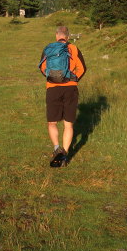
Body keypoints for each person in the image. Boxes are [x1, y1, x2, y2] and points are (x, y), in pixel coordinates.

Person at [38, 26, 87, 167]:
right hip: (70, 88)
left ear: (56, 35)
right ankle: (64, 154)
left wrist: (52, 78)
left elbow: (42, 68)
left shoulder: (49, 48)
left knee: (52, 122)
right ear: (68, 36)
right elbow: (82, 68)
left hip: (52, 88)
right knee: (68, 123)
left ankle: (56, 148)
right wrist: (73, 79)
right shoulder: (74, 48)